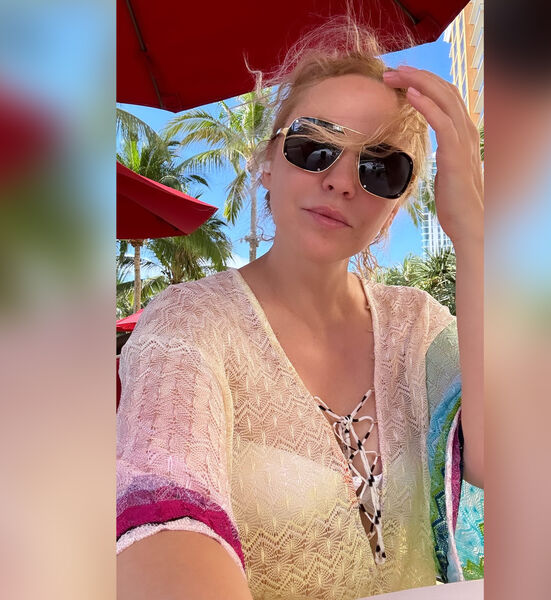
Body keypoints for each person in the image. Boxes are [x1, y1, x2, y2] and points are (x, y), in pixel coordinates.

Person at [116, 20, 483, 600]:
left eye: (380, 167)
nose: (340, 182)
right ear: (267, 160)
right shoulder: (189, 324)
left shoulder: (418, 326)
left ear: (395, 207)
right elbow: (164, 517)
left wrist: (476, 236)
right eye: (314, 147)